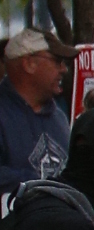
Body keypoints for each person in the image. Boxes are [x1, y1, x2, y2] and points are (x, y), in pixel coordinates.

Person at [0, 24, 69, 201]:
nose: (64, 69)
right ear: (29, 64)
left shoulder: (59, 117)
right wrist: (42, 184)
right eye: (57, 61)